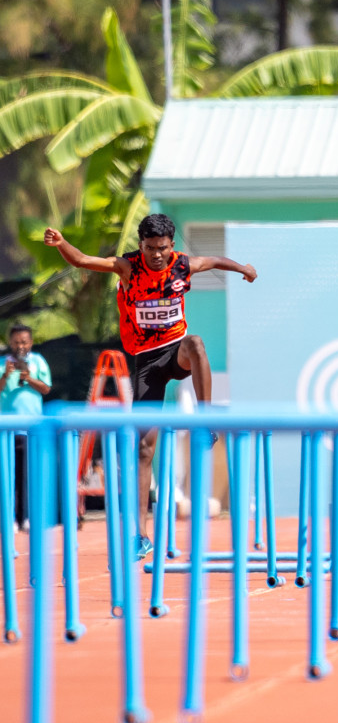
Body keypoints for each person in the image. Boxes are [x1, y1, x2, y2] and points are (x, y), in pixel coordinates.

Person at [45, 214, 258, 556]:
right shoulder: (127, 267)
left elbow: (216, 260)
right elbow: (83, 260)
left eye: (162, 248)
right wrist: (61, 245)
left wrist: (243, 268)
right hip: (147, 363)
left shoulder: (182, 265)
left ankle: (204, 423)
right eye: (149, 248)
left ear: (171, 246)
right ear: (140, 245)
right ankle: (140, 535)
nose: (156, 255)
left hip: (177, 351)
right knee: (144, 449)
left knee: (197, 343)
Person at [1, 323, 52, 531]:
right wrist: (6, 375)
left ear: (30, 342)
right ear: (10, 344)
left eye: (24, 342)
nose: (20, 346)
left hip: (32, 428)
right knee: (8, 476)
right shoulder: (3, 363)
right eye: (16, 343)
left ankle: (29, 518)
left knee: (31, 476)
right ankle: (10, 518)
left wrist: (28, 377)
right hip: (7, 429)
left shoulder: (38, 361)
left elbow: (46, 389)